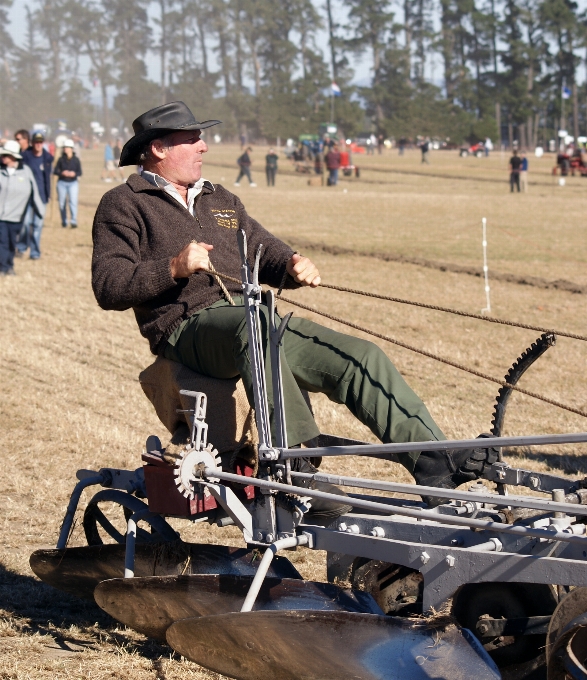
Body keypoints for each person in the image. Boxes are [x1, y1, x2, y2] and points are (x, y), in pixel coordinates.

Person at [91, 101, 498, 520]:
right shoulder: (124, 203)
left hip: (252, 320)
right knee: (255, 330)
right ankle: (295, 467)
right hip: (186, 327)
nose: (204, 147)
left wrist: (291, 263)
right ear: (158, 148)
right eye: (193, 139)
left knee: (358, 357)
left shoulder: (220, 199)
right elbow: (108, 285)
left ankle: (433, 463)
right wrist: (173, 268)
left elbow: (263, 249)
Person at [0, 140, 45, 276]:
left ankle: (8, 265)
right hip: (1, 216)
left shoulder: (25, 172)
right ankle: (4, 268)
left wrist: (40, 211)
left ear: (13, 156)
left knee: (12, 242)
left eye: (5, 155)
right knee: (2, 241)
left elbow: (34, 192)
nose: (2, 157)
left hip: (17, 216)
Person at [16, 132, 53, 260]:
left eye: (40, 142)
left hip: (41, 196)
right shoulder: (25, 156)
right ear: (32, 143)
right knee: (25, 223)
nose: (38, 144)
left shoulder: (47, 158)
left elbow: (47, 178)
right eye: (36, 142)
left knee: (37, 225)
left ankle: (35, 253)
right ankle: (21, 248)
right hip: (26, 196)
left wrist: (48, 194)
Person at [54, 139, 82, 228]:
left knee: (73, 202)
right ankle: (64, 221)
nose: (65, 149)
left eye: (67, 147)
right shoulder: (61, 159)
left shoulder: (76, 160)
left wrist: (74, 174)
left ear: (71, 148)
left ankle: (73, 221)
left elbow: (79, 172)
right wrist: (62, 173)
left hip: (73, 183)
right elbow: (55, 171)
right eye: (64, 147)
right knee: (62, 203)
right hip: (62, 183)